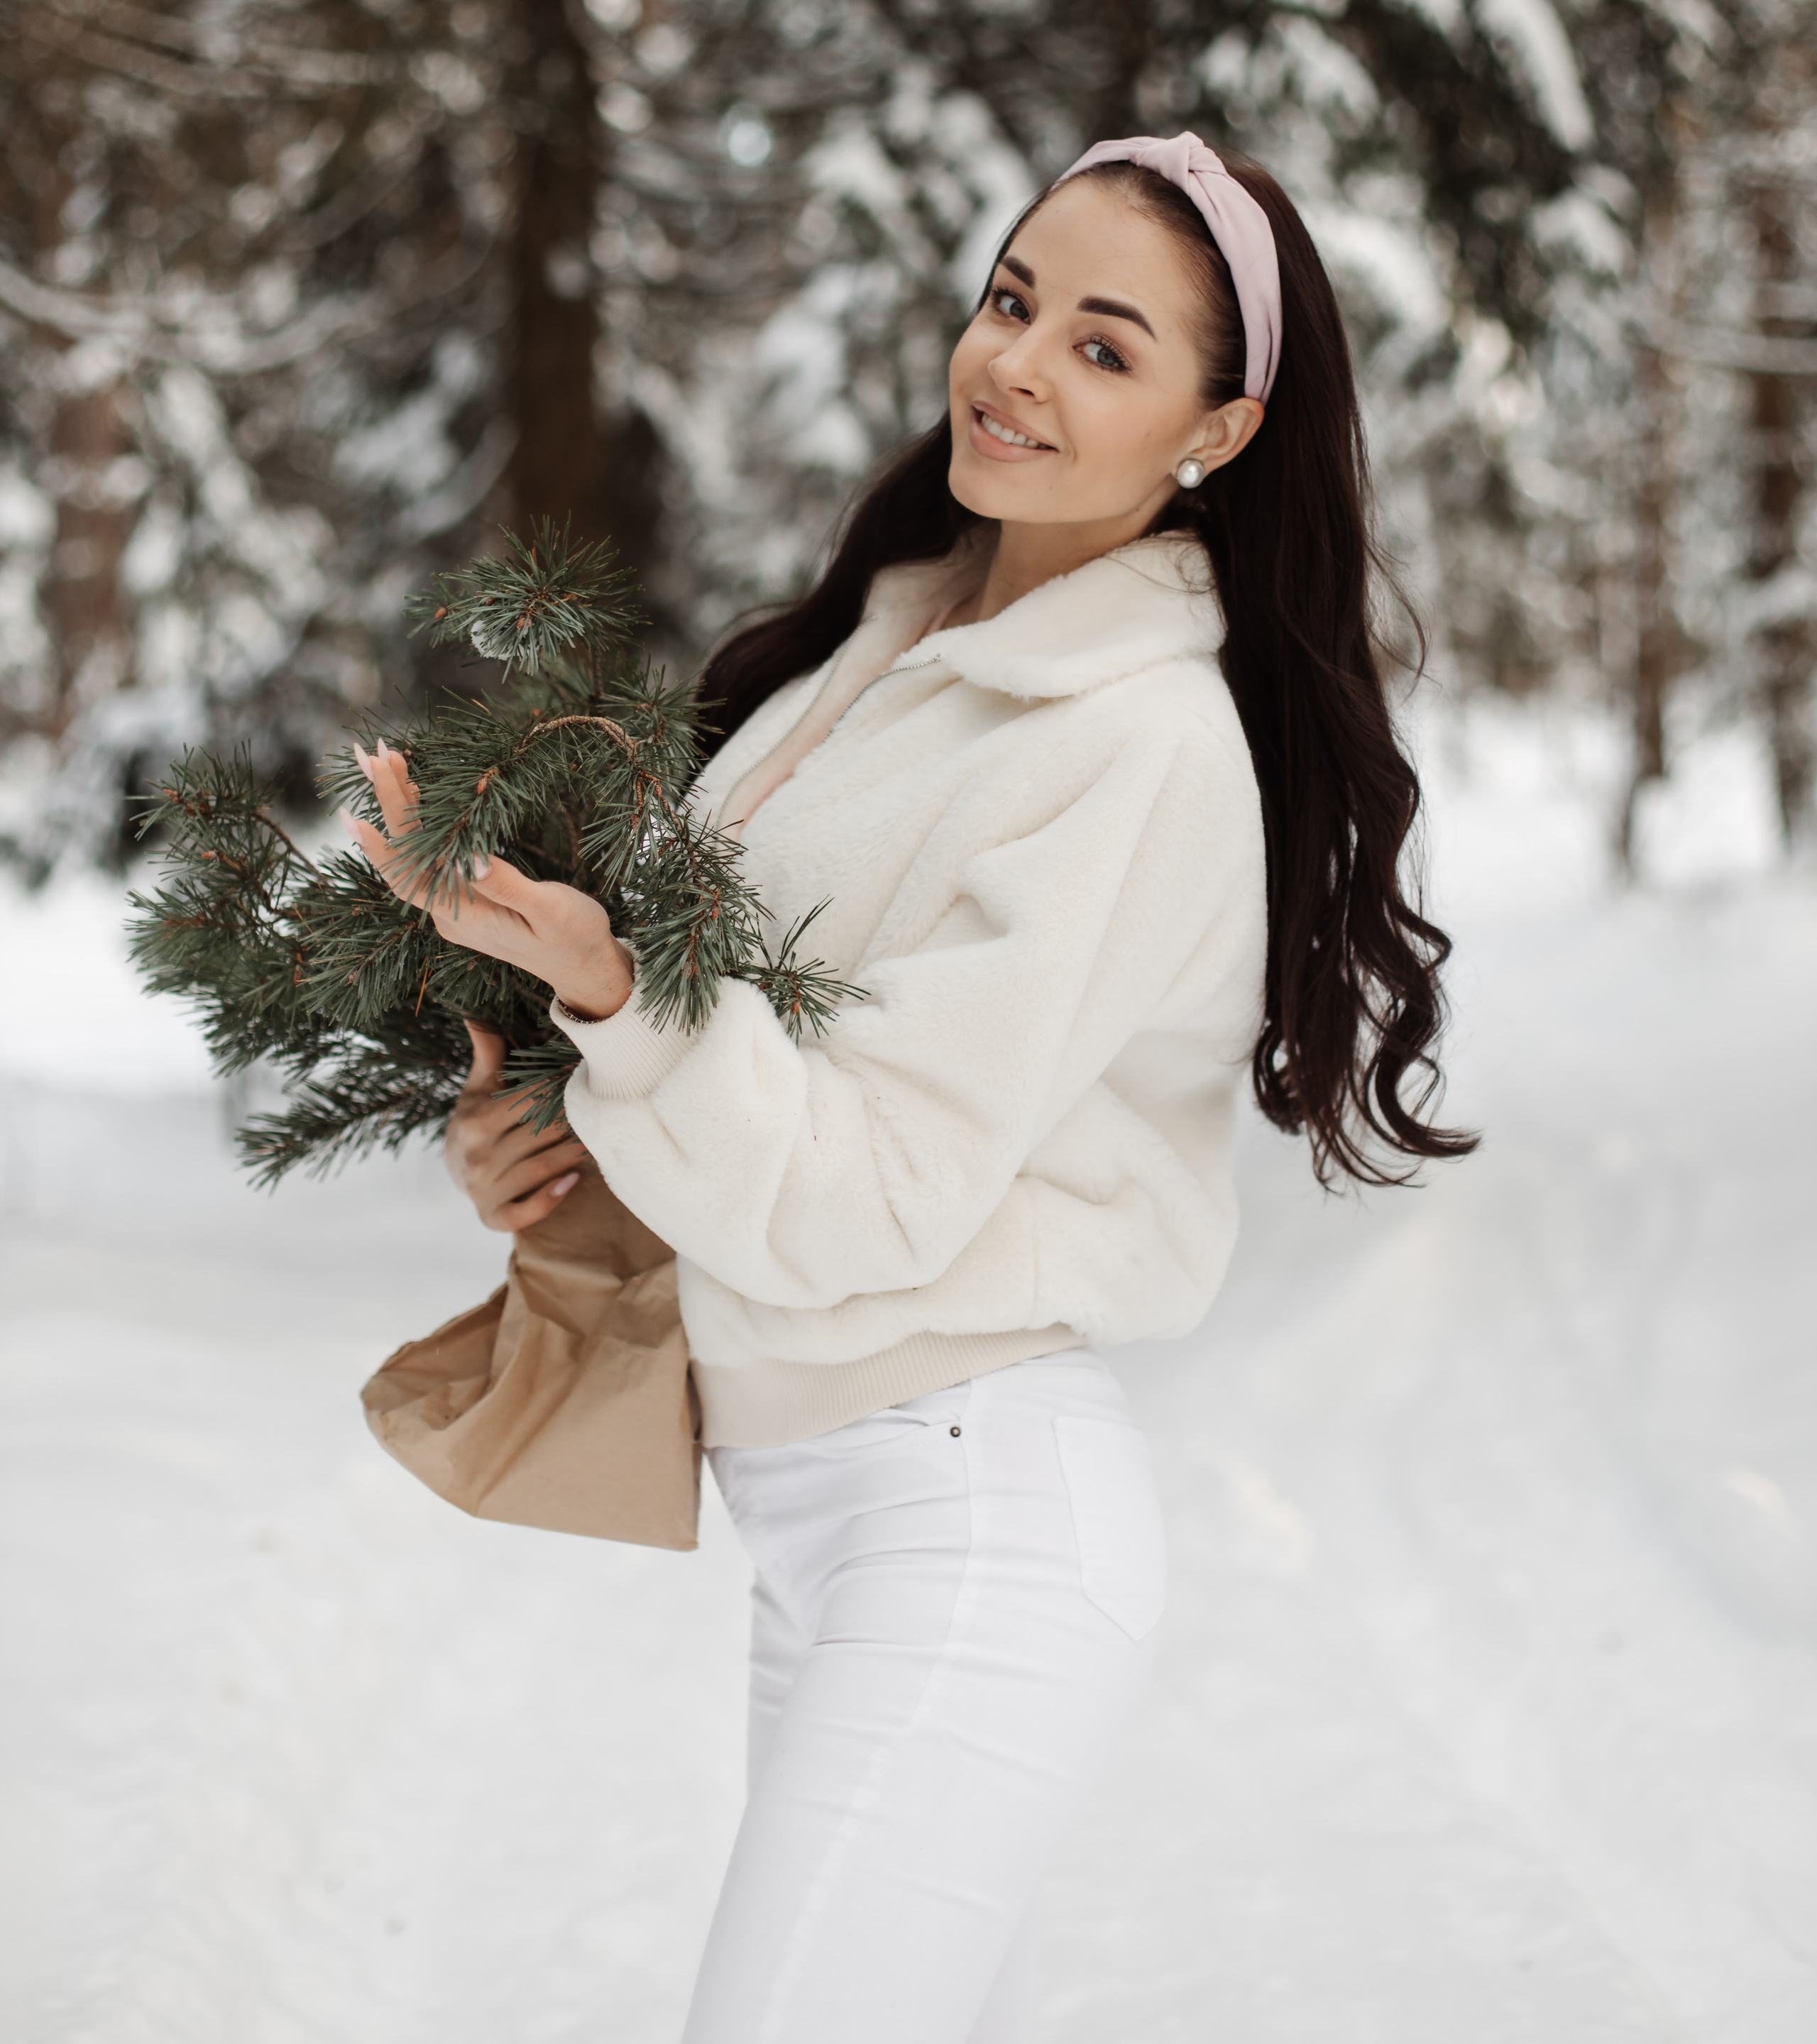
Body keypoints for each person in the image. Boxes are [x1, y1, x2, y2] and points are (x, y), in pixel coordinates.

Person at [353, 131, 1470, 2043]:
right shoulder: (877, 658)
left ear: (1222, 428)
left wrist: (627, 1002)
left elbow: (876, 1190)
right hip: (839, 1512)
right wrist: (556, 1134)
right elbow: (762, 1089)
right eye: (1012, 299)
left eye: (1107, 350)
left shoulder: (1130, 742)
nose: (1015, 364)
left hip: (967, 1521)